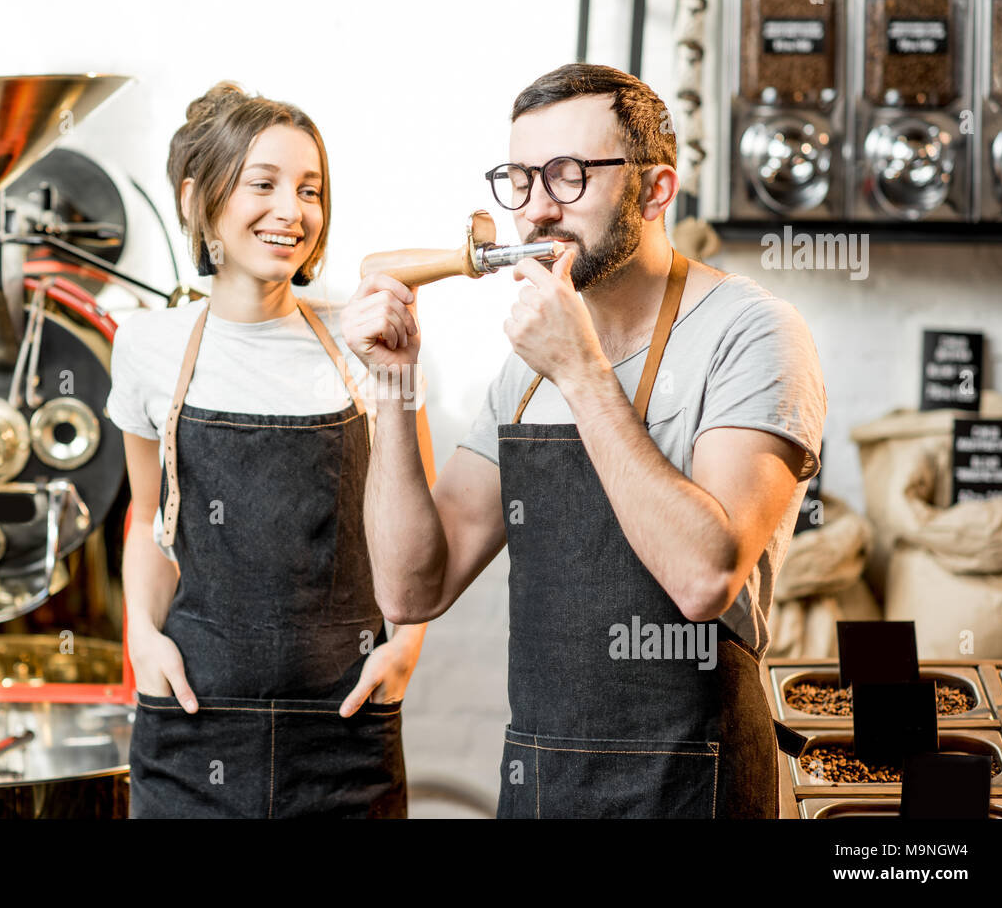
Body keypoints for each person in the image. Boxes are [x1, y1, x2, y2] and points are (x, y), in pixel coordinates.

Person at [342, 63, 826, 818]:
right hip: (544, 787)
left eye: (567, 176)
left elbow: (705, 579)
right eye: (521, 179)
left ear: (656, 190)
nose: (535, 210)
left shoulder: (752, 334)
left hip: (693, 789)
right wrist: (394, 385)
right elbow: (411, 588)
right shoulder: (524, 373)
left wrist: (581, 369)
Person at [108, 82, 433, 818]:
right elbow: (148, 518)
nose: (293, 211)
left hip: (346, 732)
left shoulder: (367, 343)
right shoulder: (147, 346)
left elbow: (422, 527)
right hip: (190, 728)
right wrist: (141, 639)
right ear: (198, 199)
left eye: (310, 190)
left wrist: (406, 644)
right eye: (265, 184)